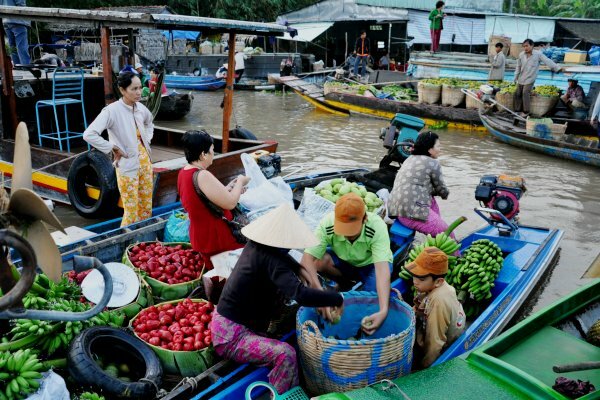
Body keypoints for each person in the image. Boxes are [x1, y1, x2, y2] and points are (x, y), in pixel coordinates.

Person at [211, 204, 344, 395]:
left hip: (233, 324)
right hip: (231, 336)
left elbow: (284, 259)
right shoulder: (270, 259)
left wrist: (298, 268)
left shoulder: (257, 246)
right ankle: (283, 396)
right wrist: (336, 297)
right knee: (286, 354)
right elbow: (301, 295)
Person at [301, 193, 392, 335]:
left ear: (364, 219)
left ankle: (359, 291)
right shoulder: (328, 223)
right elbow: (306, 261)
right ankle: (344, 284)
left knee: (370, 300)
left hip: (371, 266)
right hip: (344, 262)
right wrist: (320, 295)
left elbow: (382, 270)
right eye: (343, 230)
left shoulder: (376, 227)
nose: (347, 235)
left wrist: (384, 310)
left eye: (352, 231)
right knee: (318, 261)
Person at [83, 72, 154, 227]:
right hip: (127, 166)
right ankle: (126, 246)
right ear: (122, 90)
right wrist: (112, 147)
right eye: (134, 88)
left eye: (140, 88)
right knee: (131, 212)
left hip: (145, 164)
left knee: (146, 209)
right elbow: (89, 134)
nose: (138, 92)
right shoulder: (111, 111)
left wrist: (147, 139)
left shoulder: (141, 108)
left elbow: (149, 122)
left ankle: (143, 245)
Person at [177, 130, 250, 259]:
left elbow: (201, 200)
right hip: (217, 239)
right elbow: (230, 203)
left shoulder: (184, 172)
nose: (213, 154)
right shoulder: (202, 175)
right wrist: (240, 181)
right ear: (203, 155)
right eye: (212, 150)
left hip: (201, 237)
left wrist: (229, 189)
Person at [406, 247, 465, 368]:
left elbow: (435, 341)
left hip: (444, 344)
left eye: (421, 279)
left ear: (438, 281)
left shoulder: (438, 301)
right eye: (414, 276)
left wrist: (425, 367)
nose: (415, 282)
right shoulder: (433, 287)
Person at [388, 131, 453, 239]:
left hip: (396, 209)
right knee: (447, 234)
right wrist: (446, 194)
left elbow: (420, 185)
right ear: (429, 149)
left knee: (432, 201)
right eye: (438, 146)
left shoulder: (409, 159)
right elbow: (442, 190)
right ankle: (456, 255)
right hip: (410, 213)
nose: (440, 149)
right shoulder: (433, 163)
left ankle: (435, 234)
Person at [514, 38, 562, 117]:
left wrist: (556, 68)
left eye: (527, 46)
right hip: (521, 77)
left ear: (532, 45)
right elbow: (518, 66)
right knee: (517, 93)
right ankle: (517, 110)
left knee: (525, 92)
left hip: (530, 78)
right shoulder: (521, 55)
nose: (525, 48)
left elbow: (547, 61)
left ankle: (526, 111)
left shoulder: (538, 54)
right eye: (524, 46)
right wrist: (515, 76)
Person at [2, 0, 31, 65]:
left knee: (12, 45)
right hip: (18, 21)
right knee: (21, 45)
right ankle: (26, 66)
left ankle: (17, 65)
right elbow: (21, 5)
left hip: (6, 20)